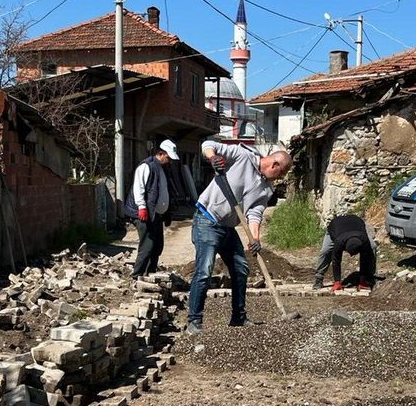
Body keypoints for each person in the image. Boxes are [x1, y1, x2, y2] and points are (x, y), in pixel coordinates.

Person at [186, 141, 292, 334]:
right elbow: (208, 144)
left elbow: (255, 213)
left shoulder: (266, 188)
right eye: (281, 173)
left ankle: (238, 318)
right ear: (274, 164)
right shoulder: (242, 156)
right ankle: (194, 321)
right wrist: (213, 158)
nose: (280, 178)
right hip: (207, 220)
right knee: (205, 269)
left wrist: (255, 239)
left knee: (241, 268)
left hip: (228, 227)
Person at [124, 139, 179, 279]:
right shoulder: (146, 166)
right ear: (161, 154)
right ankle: (137, 275)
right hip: (145, 213)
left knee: (157, 245)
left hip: (156, 214)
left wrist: (167, 212)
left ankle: (150, 273)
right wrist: (142, 207)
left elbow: (164, 190)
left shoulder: (163, 169)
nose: (170, 161)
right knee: (148, 245)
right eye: (168, 158)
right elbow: (139, 188)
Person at [312, 214, 377, 292]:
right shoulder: (339, 242)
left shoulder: (364, 240)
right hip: (336, 227)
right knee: (325, 251)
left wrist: (363, 280)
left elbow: (364, 258)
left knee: (372, 247)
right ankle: (319, 278)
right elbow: (336, 260)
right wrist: (337, 282)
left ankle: (368, 277)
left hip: (356, 224)